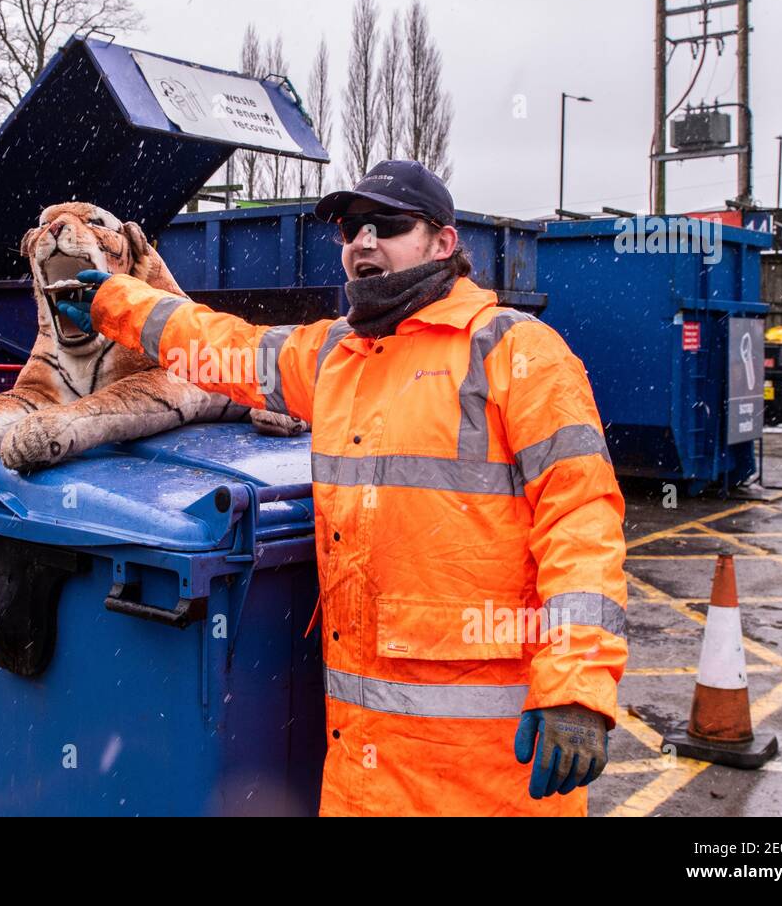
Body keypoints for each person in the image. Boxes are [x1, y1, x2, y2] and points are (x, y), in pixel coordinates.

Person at [59, 160, 628, 817]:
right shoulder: (336, 355)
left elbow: (582, 517)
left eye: (388, 224)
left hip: (488, 781)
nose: (363, 241)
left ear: (443, 242)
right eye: (352, 227)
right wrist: (113, 303)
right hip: (364, 777)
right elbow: (222, 346)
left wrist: (578, 686)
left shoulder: (515, 352)